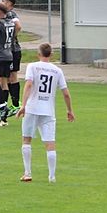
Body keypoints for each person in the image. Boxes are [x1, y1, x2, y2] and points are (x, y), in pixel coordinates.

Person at [16, 43, 74, 183]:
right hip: (48, 110)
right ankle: (52, 176)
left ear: (38, 54)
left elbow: (29, 85)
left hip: (32, 108)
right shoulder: (57, 71)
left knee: (26, 140)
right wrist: (69, 110)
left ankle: (28, 173)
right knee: (50, 143)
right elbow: (66, 93)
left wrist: (23, 105)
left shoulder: (32, 66)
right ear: (51, 54)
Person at [2, 0, 24, 115]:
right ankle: (13, 104)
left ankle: (16, 104)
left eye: (4, 1)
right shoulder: (5, 14)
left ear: (9, 3)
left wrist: (11, 37)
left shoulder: (11, 14)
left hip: (13, 50)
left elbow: (18, 26)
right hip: (8, 51)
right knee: (8, 77)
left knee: (12, 76)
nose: (2, 3)